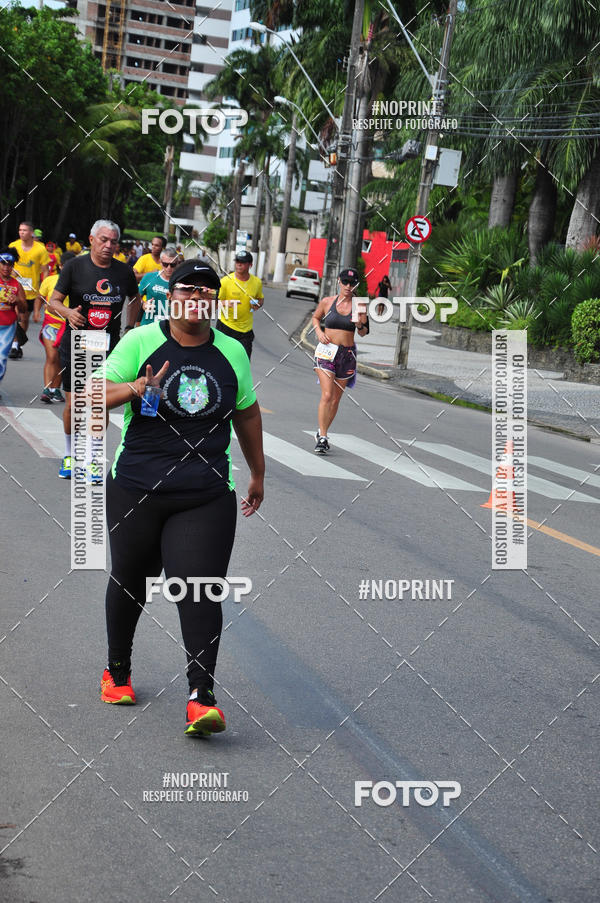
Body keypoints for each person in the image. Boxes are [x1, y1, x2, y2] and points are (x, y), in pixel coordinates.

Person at [96, 258, 264, 737]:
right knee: (132, 580)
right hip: (136, 488)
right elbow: (92, 393)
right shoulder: (141, 341)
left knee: (199, 588)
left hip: (205, 493)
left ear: (216, 301)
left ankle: (201, 695)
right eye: (187, 288)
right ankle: (118, 670)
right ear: (171, 295)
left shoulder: (232, 351)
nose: (197, 297)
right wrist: (135, 386)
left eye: (207, 291)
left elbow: (247, 414)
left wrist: (258, 474)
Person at [47, 219, 141, 479]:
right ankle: (70, 456)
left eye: (113, 241)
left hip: (107, 347)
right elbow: (53, 300)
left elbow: (135, 299)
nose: (108, 246)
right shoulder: (74, 267)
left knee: (100, 405)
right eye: (103, 240)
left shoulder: (123, 272)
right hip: (75, 344)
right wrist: (68, 312)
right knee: (75, 405)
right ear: (91, 240)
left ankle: (94, 460)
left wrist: (130, 328)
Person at [311, 267, 369, 454]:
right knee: (327, 395)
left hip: (347, 355)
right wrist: (319, 332)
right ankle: (323, 437)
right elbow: (315, 317)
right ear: (338, 281)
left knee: (335, 399)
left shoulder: (359, 306)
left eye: (352, 283)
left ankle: (321, 431)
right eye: (345, 282)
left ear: (356, 285)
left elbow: (364, 332)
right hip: (326, 352)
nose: (348, 286)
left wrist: (359, 323)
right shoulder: (327, 302)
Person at [34, 251, 76, 403]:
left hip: (69, 326)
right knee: (52, 356)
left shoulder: (79, 283)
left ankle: (55, 389)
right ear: (61, 266)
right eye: (67, 266)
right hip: (51, 323)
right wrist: (37, 311)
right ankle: (47, 389)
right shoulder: (51, 280)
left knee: (62, 359)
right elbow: (40, 297)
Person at [9, 221, 50, 359]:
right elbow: (6, 264)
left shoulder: (40, 249)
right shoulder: (13, 246)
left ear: (31, 233)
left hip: (31, 291)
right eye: (20, 230)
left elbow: (45, 271)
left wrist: (44, 291)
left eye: (25, 230)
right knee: (16, 316)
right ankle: (14, 345)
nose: (22, 232)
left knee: (24, 319)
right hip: (14, 288)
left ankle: (18, 344)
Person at [216, 250, 264, 358]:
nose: (239, 264)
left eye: (242, 262)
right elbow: (214, 303)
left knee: (243, 363)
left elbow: (260, 299)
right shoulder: (225, 281)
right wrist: (225, 303)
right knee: (221, 361)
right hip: (225, 327)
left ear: (250, 265)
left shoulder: (257, 283)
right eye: (237, 261)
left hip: (245, 331)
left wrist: (258, 304)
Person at [0, 249, 27, 398]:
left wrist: (17, 300)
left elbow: (23, 309)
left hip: (7, 327)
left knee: (1, 358)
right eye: (3, 264)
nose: (6, 267)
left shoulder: (17, 284)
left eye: (9, 265)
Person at [136, 246, 178, 326]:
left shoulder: (181, 282)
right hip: (148, 326)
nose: (169, 268)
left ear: (177, 263)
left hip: (171, 329)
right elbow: (135, 297)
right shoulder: (149, 277)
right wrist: (143, 304)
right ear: (160, 262)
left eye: (172, 265)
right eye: (165, 264)